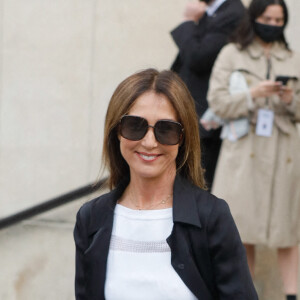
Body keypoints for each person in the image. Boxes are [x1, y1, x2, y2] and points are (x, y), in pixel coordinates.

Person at [73, 68, 258, 299]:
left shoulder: (211, 217)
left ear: (183, 138)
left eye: (167, 129)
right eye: (134, 126)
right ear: (117, 131)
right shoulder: (91, 218)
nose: (149, 142)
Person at [207, 0, 300, 299]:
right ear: (253, 18)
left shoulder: (292, 58)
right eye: (267, 18)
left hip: (283, 149)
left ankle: (291, 294)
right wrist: (252, 94)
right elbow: (218, 102)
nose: (272, 24)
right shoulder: (232, 53)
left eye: (278, 19)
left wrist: (289, 100)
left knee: (287, 228)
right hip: (243, 150)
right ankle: (243, 294)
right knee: (241, 227)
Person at [170, 0, 245, 190]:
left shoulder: (233, 13)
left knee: (195, 185)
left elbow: (197, 57)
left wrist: (188, 21)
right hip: (187, 112)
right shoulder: (210, 11)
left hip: (205, 119)